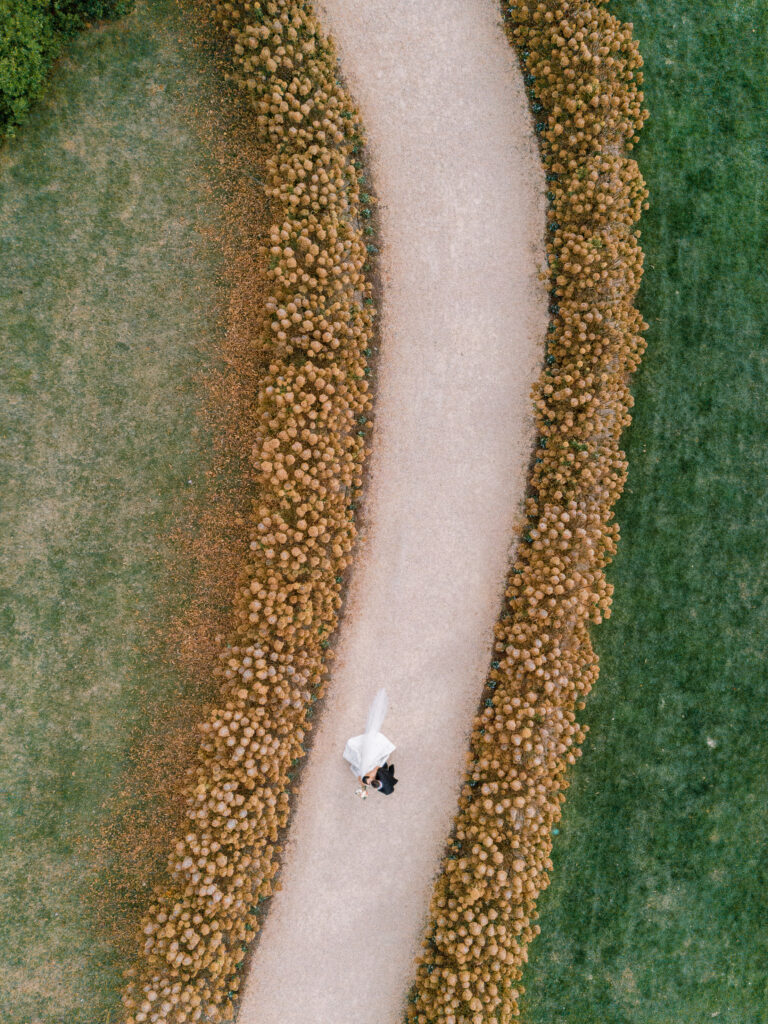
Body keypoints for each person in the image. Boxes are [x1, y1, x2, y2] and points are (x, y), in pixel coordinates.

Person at [343, 687, 399, 798]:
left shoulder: (368, 781)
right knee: (361, 746)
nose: (374, 785)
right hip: (373, 764)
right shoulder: (376, 773)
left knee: (359, 755)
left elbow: (361, 779)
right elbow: (376, 768)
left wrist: (363, 786)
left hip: (366, 766)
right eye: (377, 784)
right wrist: (369, 776)